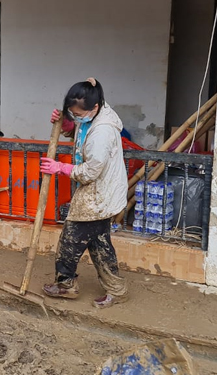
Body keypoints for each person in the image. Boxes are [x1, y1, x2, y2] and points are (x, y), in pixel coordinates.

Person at [39, 78, 128, 308]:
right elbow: (80, 131)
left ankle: (66, 284)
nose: (75, 116)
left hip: (99, 192)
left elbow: (90, 172)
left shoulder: (103, 132)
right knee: (99, 243)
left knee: (70, 240)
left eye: (77, 114)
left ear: (94, 108)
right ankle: (116, 290)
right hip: (99, 192)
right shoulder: (92, 112)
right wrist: (67, 124)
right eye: (72, 112)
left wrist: (60, 167)